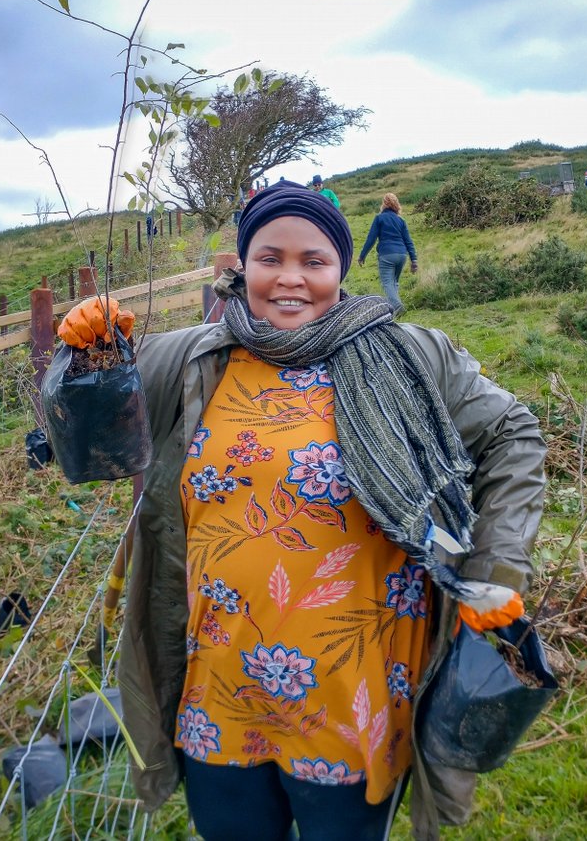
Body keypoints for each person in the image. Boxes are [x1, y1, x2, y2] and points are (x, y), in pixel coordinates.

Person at [56, 181, 546, 841]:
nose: (290, 278)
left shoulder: (413, 357)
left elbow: (515, 431)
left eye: (313, 261)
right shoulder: (194, 358)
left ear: (341, 268)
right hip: (221, 694)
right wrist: (87, 356)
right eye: (270, 258)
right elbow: (76, 441)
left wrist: (498, 566)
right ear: (242, 264)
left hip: (355, 702)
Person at [358, 193, 418, 315]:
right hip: (402, 255)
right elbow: (408, 241)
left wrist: (362, 255)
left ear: (384, 204)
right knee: (394, 281)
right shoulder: (401, 220)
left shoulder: (379, 218)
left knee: (387, 282)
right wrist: (414, 260)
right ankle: (394, 310)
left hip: (387, 254)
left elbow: (371, 238)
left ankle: (397, 305)